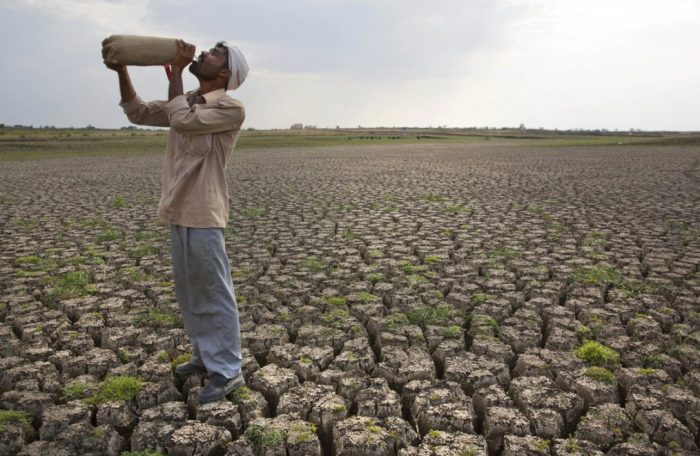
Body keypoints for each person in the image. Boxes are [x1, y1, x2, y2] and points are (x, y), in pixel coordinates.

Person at [104, 39, 249, 403]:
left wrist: (179, 74)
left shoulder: (230, 107)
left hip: (204, 211)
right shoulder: (186, 101)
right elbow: (136, 111)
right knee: (190, 292)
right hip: (178, 209)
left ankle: (228, 371)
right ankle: (204, 357)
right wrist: (123, 69)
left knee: (214, 292)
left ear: (225, 71)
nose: (203, 54)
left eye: (213, 53)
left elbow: (181, 121)